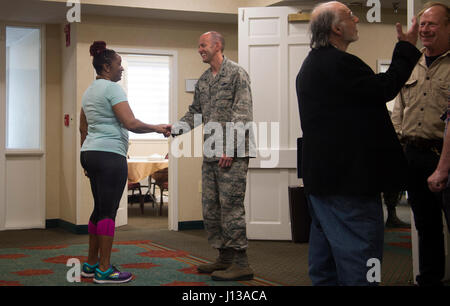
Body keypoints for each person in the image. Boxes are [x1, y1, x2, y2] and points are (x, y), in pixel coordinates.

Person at [296, 1, 421, 285]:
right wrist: (406, 48)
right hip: (349, 187)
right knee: (362, 262)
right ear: (336, 28)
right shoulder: (339, 63)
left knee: (325, 264)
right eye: (350, 16)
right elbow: (385, 88)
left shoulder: (311, 64)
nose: (356, 19)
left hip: (322, 183)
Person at [79, 41, 171, 284]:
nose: (123, 69)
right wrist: (157, 127)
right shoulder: (112, 89)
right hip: (110, 155)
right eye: (120, 64)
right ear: (107, 67)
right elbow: (131, 123)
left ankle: (90, 265)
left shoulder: (89, 91)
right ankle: (105, 269)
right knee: (108, 211)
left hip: (90, 153)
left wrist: (87, 156)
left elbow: (82, 127)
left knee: (99, 209)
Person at [171, 31, 255, 281]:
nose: (199, 49)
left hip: (232, 155)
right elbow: (195, 113)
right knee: (211, 209)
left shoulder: (237, 73)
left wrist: (231, 147)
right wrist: (174, 129)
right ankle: (224, 257)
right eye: (198, 46)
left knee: (231, 208)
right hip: (211, 154)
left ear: (218, 45)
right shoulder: (204, 80)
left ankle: (242, 263)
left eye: (203, 45)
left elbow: (243, 113)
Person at [391, 2, 449, 286]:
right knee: (426, 227)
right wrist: (399, 149)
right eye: (422, 24)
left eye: (432, 24)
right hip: (414, 156)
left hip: (446, 156)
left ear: (449, 27)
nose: (424, 30)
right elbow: (398, 109)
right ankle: (429, 280)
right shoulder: (412, 64)